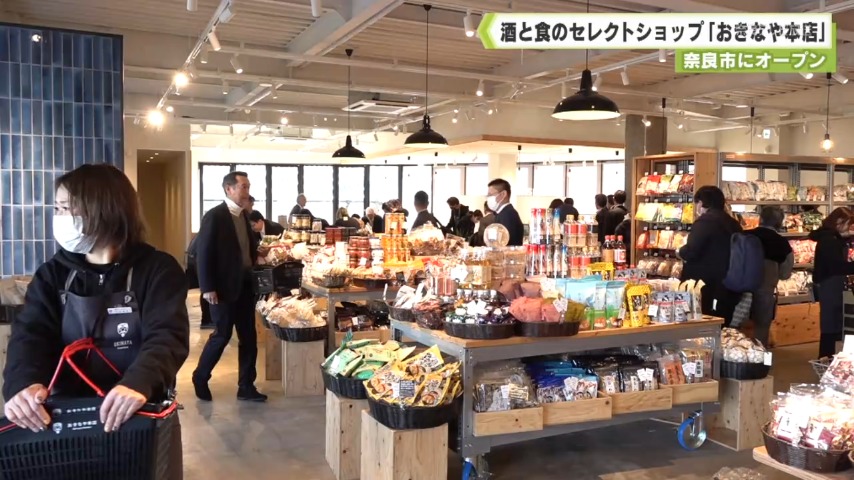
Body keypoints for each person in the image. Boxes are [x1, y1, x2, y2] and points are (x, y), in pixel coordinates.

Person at [2, 164, 188, 476]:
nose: (59, 217)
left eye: (66, 208)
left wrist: (139, 382)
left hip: (137, 413)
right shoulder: (53, 274)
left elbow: (167, 336)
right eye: (57, 208)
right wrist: (24, 383)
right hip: (65, 417)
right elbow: (30, 335)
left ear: (104, 209)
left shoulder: (157, 269)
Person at [193, 171, 267, 403]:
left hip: (245, 285)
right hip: (223, 288)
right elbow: (204, 253)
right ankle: (200, 376)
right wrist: (207, 287)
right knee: (222, 335)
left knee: (249, 337)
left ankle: (246, 386)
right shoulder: (215, 216)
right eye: (243, 187)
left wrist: (257, 253)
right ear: (229, 189)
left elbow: (242, 247)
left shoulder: (244, 215)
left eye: (248, 186)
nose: (247, 191)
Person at [677, 185, 743, 324]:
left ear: (701, 203)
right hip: (729, 282)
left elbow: (692, 250)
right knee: (723, 322)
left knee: (705, 322)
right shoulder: (733, 223)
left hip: (707, 285)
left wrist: (680, 251)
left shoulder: (704, 222)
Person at [744, 206, 794, 347]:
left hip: (739, 287)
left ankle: (734, 352)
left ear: (760, 219)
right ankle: (759, 355)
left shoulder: (744, 236)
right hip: (765, 289)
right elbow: (785, 274)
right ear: (780, 222)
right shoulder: (782, 244)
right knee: (762, 327)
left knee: (735, 324)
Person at [809, 207, 854, 358]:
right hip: (830, 285)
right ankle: (826, 357)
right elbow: (837, 266)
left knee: (831, 322)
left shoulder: (829, 238)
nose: (848, 228)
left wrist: (846, 238)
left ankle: (827, 357)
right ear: (839, 222)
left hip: (828, 284)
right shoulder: (829, 241)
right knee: (832, 323)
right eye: (847, 224)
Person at [186, 235, 214, 330]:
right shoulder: (206, 235)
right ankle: (207, 320)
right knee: (207, 289)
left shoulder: (199, 236)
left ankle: (207, 319)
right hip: (199, 258)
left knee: (206, 289)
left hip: (195, 258)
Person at [487, 178, 524, 246]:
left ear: (503, 194)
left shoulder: (508, 215)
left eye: (490, 195)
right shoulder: (502, 213)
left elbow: (506, 243)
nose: (488, 198)